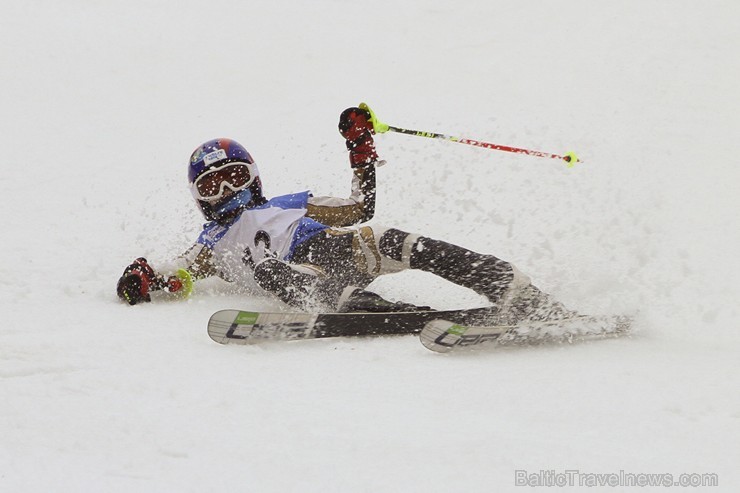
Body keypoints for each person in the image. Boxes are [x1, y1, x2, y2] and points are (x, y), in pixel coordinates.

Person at [117, 105, 573, 322]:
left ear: (253, 176)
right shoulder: (211, 243)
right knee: (273, 269)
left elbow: (359, 207)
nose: (228, 190)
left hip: (334, 249)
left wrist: (360, 150)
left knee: (396, 240)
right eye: (214, 185)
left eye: (235, 176)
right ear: (200, 198)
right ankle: (382, 310)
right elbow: (179, 275)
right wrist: (147, 277)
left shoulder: (289, 203)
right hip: (299, 275)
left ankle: (515, 289)